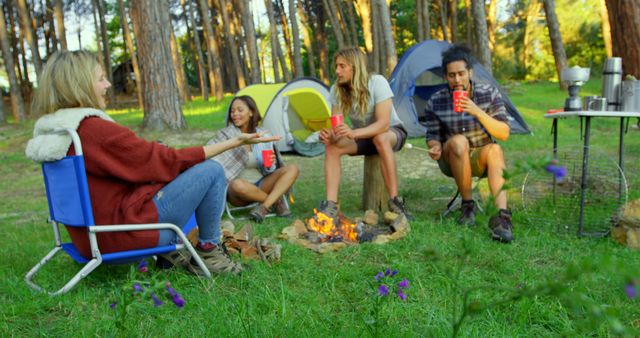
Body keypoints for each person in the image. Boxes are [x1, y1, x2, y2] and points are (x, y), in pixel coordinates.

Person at [25, 50, 278, 276]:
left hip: (88, 239)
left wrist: (155, 155)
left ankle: (174, 253)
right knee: (211, 170)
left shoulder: (59, 132)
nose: (108, 84)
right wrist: (235, 142)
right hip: (123, 237)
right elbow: (165, 161)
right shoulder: (93, 130)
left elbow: (136, 162)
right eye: (100, 78)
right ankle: (209, 251)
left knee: (166, 174)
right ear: (80, 85)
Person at [424, 44, 514, 242]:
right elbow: (432, 135)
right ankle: (467, 207)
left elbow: (504, 133)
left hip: (480, 157)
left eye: (461, 74)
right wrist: (434, 146)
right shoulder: (436, 101)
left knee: (495, 149)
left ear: (470, 72)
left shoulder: (488, 93)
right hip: (452, 157)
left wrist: (476, 110)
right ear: (445, 76)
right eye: (451, 75)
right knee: (458, 142)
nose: (457, 80)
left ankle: (502, 217)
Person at [318, 47, 412, 220]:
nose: (337, 71)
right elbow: (338, 126)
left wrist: (354, 133)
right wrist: (331, 135)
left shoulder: (377, 82)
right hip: (363, 137)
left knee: (380, 138)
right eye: (336, 66)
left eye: (342, 66)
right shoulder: (337, 89)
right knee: (332, 146)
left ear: (355, 67)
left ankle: (395, 201)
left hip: (391, 132)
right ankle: (330, 204)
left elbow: (383, 124)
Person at [207, 95, 299, 222]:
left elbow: (271, 169)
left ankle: (265, 206)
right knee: (238, 185)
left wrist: (270, 164)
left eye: (240, 110)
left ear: (251, 112)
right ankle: (275, 202)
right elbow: (208, 154)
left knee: (292, 169)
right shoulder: (225, 135)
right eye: (232, 111)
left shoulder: (263, 134)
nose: (235, 114)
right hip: (238, 192)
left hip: (261, 184)